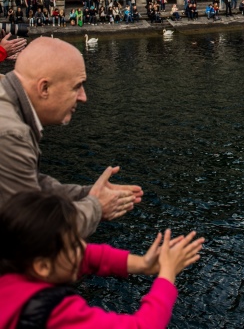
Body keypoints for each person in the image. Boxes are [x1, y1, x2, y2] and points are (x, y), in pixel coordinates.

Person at [0, 38, 143, 237]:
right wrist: (96, 207)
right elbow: (31, 232)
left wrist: (86, 194)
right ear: (44, 88)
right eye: (77, 87)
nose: (83, 97)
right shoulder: (12, 134)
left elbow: (29, 183)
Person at [0, 191, 204, 328]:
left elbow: (84, 257)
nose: (84, 247)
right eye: (75, 243)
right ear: (42, 266)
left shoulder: (14, 262)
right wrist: (167, 274)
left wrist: (142, 263)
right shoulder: (55, 313)